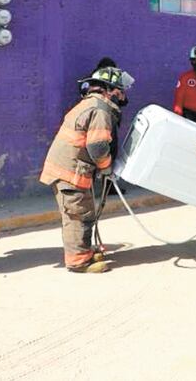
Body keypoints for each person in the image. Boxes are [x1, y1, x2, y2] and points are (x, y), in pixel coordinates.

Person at [40, 66, 133, 273]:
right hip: (69, 172)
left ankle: (85, 251)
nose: (123, 95)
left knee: (84, 213)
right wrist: (107, 167)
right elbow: (97, 146)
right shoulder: (100, 109)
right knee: (77, 215)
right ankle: (78, 262)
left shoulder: (91, 104)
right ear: (109, 89)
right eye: (120, 90)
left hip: (72, 170)